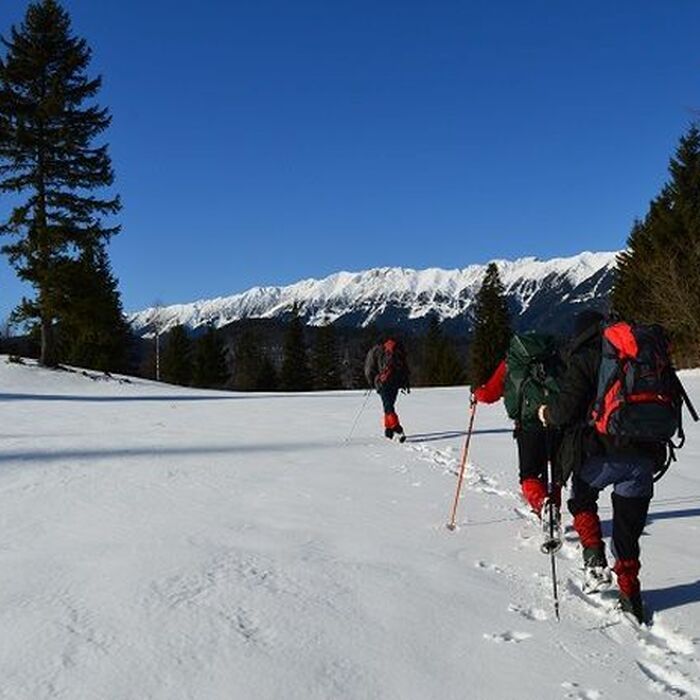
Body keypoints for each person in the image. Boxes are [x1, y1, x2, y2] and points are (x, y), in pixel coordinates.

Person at [537, 310, 663, 623]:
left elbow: (565, 410)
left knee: (581, 497)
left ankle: (593, 556)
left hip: (601, 454)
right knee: (627, 531)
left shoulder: (584, 359)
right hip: (644, 456)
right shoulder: (637, 353)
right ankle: (630, 593)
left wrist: (545, 414)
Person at [472, 334, 563, 521]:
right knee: (554, 475)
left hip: (528, 427)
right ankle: (553, 508)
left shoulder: (511, 364)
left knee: (529, 475)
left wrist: (476, 392)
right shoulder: (554, 361)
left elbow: (489, 394)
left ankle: (542, 505)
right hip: (557, 422)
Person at [364, 336, 410, 441]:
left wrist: (372, 381)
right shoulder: (397, 349)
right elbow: (405, 367)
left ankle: (397, 428)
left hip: (382, 382)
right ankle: (388, 429)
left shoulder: (374, 351)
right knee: (389, 405)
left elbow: (369, 368)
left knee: (388, 406)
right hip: (396, 382)